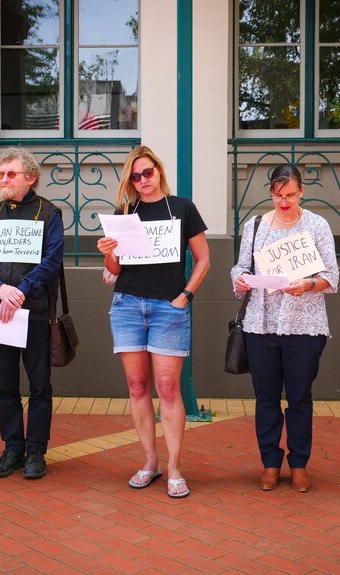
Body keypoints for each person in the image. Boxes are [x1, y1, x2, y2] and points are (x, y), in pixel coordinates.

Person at [97, 145, 210, 498]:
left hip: (168, 307)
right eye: (135, 176)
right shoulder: (125, 213)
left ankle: (175, 467)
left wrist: (185, 296)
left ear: (159, 171)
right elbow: (117, 270)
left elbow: (204, 259)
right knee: (136, 385)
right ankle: (150, 462)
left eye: (147, 172)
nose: (143, 180)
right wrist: (108, 254)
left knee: (167, 388)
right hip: (128, 304)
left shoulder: (181, 208)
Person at [230, 164, 339, 493]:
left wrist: (306, 284)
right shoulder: (257, 224)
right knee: (265, 398)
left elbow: (331, 277)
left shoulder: (317, 225)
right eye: (278, 195)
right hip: (260, 325)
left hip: (304, 326)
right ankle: (270, 462)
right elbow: (242, 265)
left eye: (290, 195)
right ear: (270, 193)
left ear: (301, 191)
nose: (284, 201)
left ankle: (299, 463)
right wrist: (238, 277)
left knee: (300, 398)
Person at [0, 148, 63, 480]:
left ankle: (36, 450)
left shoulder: (49, 214)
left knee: (39, 386)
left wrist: (22, 288)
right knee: (4, 385)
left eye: (10, 174)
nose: (3, 179)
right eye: (0, 175)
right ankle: (12, 448)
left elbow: (52, 260)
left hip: (33, 312)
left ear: (30, 177)